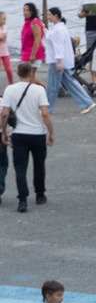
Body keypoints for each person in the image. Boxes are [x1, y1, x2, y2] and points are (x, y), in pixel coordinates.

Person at [5, 60, 53, 210]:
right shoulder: (39, 90)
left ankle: (22, 199)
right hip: (37, 133)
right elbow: (45, 113)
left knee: (20, 167)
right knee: (39, 165)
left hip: (19, 133)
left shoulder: (10, 90)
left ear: (18, 73)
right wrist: (51, 132)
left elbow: (5, 114)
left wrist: (4, 132)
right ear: (31, 73)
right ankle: (40, 194)